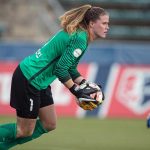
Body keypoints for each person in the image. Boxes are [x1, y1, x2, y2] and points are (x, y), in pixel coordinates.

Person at [0, 4, 109, 149]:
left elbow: (70, 68)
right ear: (91, 23)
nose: (107, 27)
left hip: (39, 81)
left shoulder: (81, 35)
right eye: (104, 23)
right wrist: (76, 91)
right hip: (30, 78)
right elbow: (61, 69)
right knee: (24, 130)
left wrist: (84, 83)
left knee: (49, 123)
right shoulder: (80, 39)